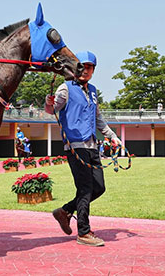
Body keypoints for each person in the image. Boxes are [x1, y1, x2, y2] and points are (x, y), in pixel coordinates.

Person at [45, 51, 121, 247]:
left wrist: (112, 136)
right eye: (82, 66)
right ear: (75, 67)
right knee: (85, 188)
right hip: (74, 145)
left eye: (89, 67)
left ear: (93, 70)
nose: (85, 70)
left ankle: (65, 211)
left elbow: (98, 118)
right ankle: (84, 232)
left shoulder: (94, 91)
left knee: (99, 187)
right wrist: (49, 102)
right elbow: (52, 109)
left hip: (92, 145)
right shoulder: (66, 88)